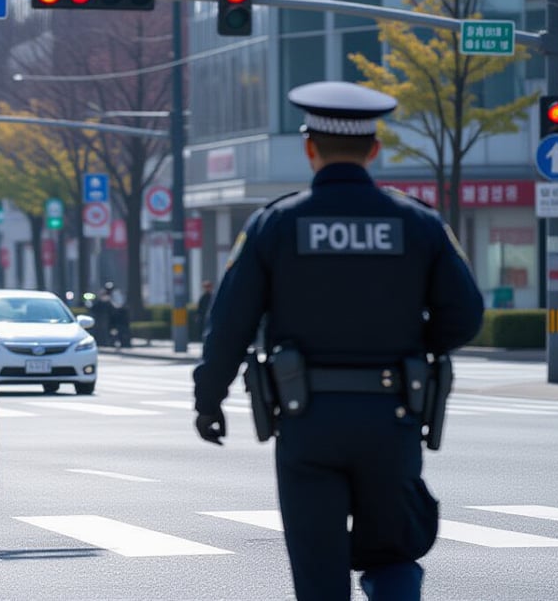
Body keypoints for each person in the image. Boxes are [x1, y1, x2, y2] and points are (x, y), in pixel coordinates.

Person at [192, 81, 484, 601]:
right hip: (392, 418)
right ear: (374, 150)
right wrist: (413, 342)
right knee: (393, 555)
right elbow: (465, 315)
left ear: (310, 148)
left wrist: (208, 401)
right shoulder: (416, 223)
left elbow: (230, 325)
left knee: (319, 576)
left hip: (308, 422)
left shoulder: (277, 223)